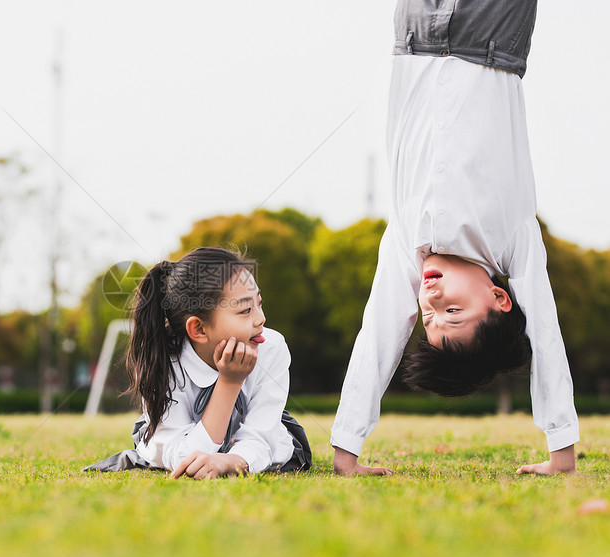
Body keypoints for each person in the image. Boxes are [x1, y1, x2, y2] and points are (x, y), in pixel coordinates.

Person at [330, 0, 579, 476]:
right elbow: (545, 336)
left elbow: (377, 339)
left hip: (417, 35)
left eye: (429, 316)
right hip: (490, 32)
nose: (432, 297)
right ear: (500, 298)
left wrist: (347, 454)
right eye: (453, 312)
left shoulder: (406, 244)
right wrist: (561, 452)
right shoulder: (512, 239)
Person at [85, 247, 311, 478]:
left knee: (282, 449)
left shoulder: (271, 348)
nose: (261, 318)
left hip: (258, 438)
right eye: (245, 310)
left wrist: (230, 462)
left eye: (259, 303)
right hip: (177, 438)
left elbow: (261, 437)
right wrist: (229, 382)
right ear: (199, 329)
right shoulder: (164, 361)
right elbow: (184, 457)